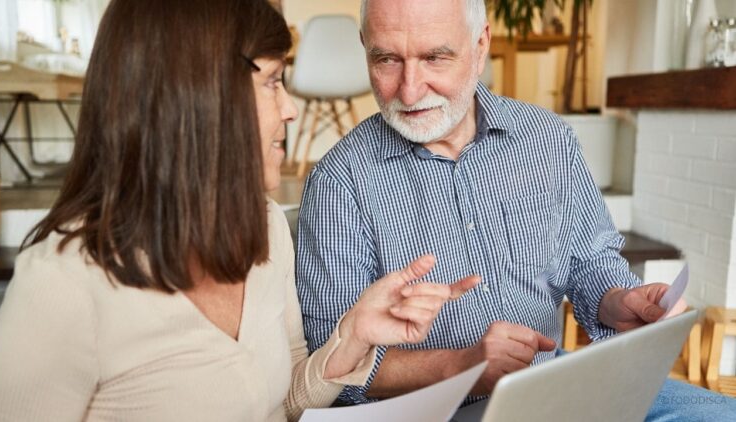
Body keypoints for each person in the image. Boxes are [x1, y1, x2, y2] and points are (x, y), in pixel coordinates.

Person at [0, 1, 480, 421]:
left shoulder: (263, 227)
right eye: (272, 82)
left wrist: (353, 335)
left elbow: (281, 401)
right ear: (198, 95)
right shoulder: (64, 284)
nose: (290, 108)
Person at [296, 0, 736, 418]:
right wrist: (460, 367)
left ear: (480, 45)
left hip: (549, 379)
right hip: (431, 409)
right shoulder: (340, 183)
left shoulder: (548, 139)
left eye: (435, 58)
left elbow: (589, 261)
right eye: (386, 60)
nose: (409, 90)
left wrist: (618, 300)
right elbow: (334, 368)